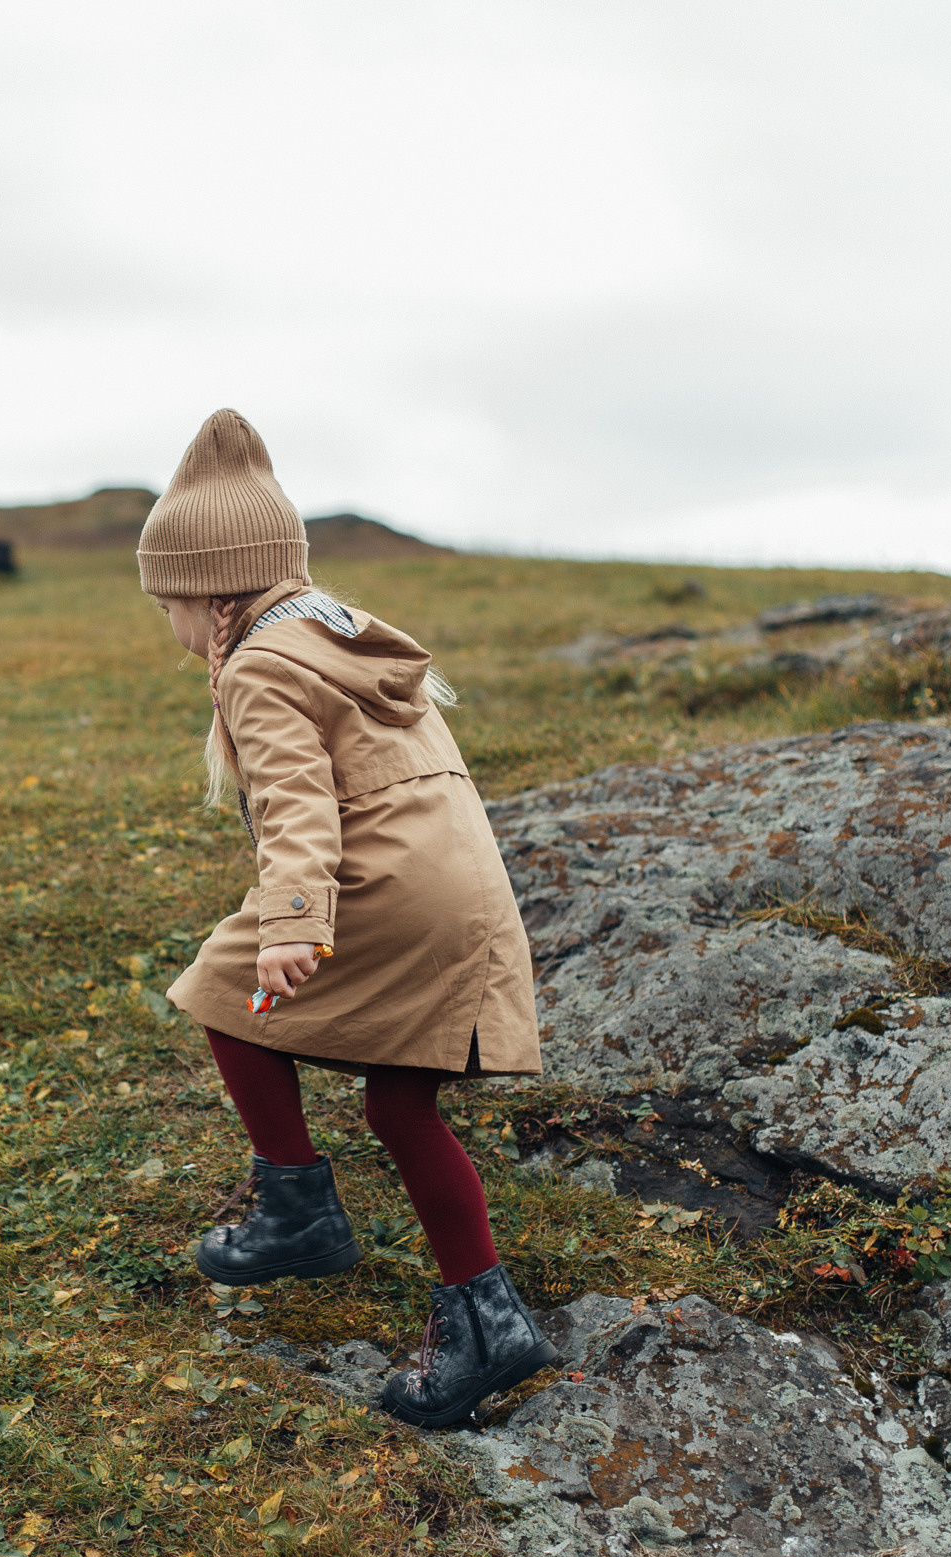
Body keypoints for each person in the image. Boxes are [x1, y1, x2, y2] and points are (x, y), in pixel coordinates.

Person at [137, 408, 556, 1428]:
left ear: (215, 587)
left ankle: (296, 1205)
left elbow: (296, 805)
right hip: (461, 897)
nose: (173, 625)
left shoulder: (262, 665)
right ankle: (487, 1320)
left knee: (221, 986)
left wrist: (290, 922)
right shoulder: (337, 635)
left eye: (173, 603)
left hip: (389, 891)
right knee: (401, 1108)